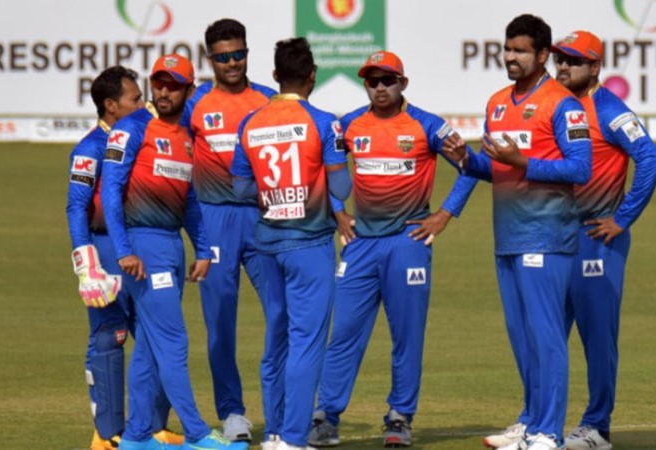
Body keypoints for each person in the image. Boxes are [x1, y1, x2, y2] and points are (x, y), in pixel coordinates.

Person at [308, 50, 478, 448]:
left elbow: (470, 166)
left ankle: (400, 417)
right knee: (344, 332)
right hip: (361, 244)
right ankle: (325, 416)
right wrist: (338, 212)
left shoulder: (427, 125)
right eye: (373, 81)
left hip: (408, 242)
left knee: (406, 335)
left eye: (388, 80)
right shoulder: (349, 125)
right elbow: (324, 168)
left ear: (403, 83)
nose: (380, 87)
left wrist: (444, 215)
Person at [440, 14, 592, 450]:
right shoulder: (496, 103)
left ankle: (549, 433)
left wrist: (523, 162)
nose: (510, 57)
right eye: (507, 49)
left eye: (520, 50)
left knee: (546, 338)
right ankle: (530, 421)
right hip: (506, 236)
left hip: (546, 234)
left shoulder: (564, 104)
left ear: (542, 55)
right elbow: (496, 168)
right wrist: (466, 160)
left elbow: (581, 168)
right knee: (523, 339)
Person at [100, 54, 247, 450]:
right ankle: (197, 433)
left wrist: (203, 248)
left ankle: (135, 436)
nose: (163, 91)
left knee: (149, 348)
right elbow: (111, 190)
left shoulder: (186, 137)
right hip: (143, 248)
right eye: (159, 83)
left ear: (189, 89)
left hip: (171, 246)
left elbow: (191, 200)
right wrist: (124, 249)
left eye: (173, 85)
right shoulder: (131, 128)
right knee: (173, 341)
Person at [230, 37, 351, 450]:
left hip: (267, 244)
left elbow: (240, 187)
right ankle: (294, 439)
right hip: (309, 244)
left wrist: (275, 193)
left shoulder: (251, 123)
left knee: (277, 338)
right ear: (312, 76)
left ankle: (276, 432)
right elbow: (342, 187)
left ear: (275, 75)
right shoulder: (324, 122)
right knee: (307, 342)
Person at [550, 30, 656, 450]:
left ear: (595, 66)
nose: (563, 66)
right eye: (560, 59)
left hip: (596, 238)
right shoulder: (554, 104)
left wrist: (622, 218)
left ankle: (597, 427)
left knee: (597, 337)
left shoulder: (609, 109)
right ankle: (540, 423)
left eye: (573, 60)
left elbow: (651, 159)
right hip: (553, 237)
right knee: (546, 335)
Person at [66, 65, 184, 450]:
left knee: (157, 336)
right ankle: (106, 434)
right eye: (135, 99)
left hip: (141, 247)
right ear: (111, 105)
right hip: (104, 249)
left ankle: (152, 427)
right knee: (109, 336)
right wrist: (87, 267)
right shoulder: (89, 149)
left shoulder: (143, 135)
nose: (143, 103)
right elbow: (76, 208)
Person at [181, 18, 277, 443]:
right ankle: (232, 412)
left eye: (238, 54)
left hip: (264, 219)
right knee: (220, 322)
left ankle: (282, 410)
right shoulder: (195, 103)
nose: (232, 63)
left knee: (283, 313)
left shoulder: (269, 101)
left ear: (247, 53)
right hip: (214, 219)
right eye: (223, 57)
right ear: (210, 60)